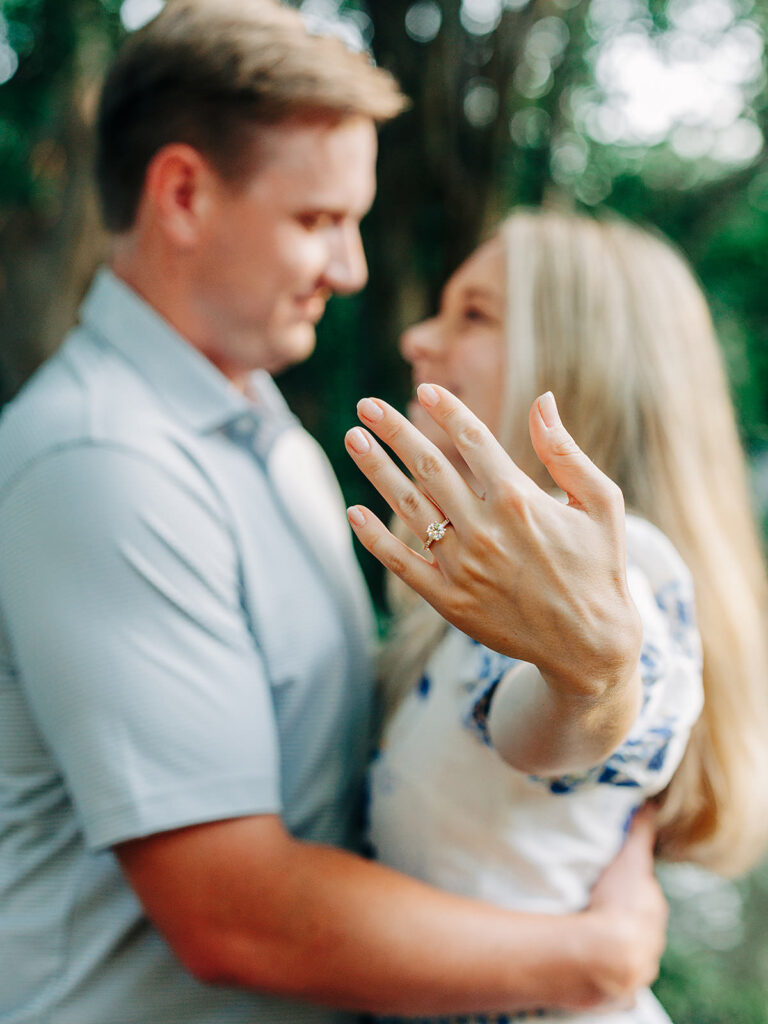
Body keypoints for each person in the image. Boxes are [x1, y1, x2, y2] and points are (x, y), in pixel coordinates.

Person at [0, 5, 666, 1023]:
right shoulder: (104, 461)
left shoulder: (260, 425)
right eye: (318, 222)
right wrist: (593, 959)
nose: (351, 270)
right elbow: (236, 914)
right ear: (181, 194)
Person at [343, 210, 768, 1023]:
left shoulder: (626, 574)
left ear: (582, 364)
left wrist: (589, 677)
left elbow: (556, 724)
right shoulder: (488, 588)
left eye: (474, 314)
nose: (418, 339)